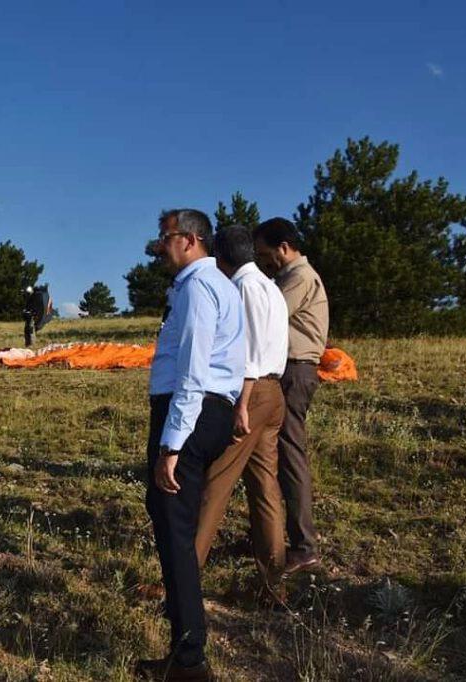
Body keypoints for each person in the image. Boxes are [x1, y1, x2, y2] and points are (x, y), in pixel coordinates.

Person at [137, 209, 246, 681]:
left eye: (165, 238)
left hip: (190, 414)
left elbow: (194, 371)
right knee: (172, 524)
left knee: (175, 532)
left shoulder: (200, 287)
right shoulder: (216, 284)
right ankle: (185, 650)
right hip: (207, 411)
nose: (160, 246)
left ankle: (189, 658)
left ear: (190, 239)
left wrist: (172, 444)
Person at [194, 225, 289, 597]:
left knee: (215, 482)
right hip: (274, 391)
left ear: (221, 258)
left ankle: (185, 571)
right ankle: (274, 580)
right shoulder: (270, 286)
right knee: (264, 486)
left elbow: (247, 352)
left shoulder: (243, 289)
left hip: (252, 393)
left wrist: (241, 405)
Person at [252, 218, 329, 576]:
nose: (264, 262)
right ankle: (272, 537)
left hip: (294, 371)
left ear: (284, 247)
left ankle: (304, 546)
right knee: (271, 455)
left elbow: (266, 315)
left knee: (290, 454)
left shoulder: (298, 277)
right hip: (286, 371)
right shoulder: (287, 276)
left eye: (266, 255)